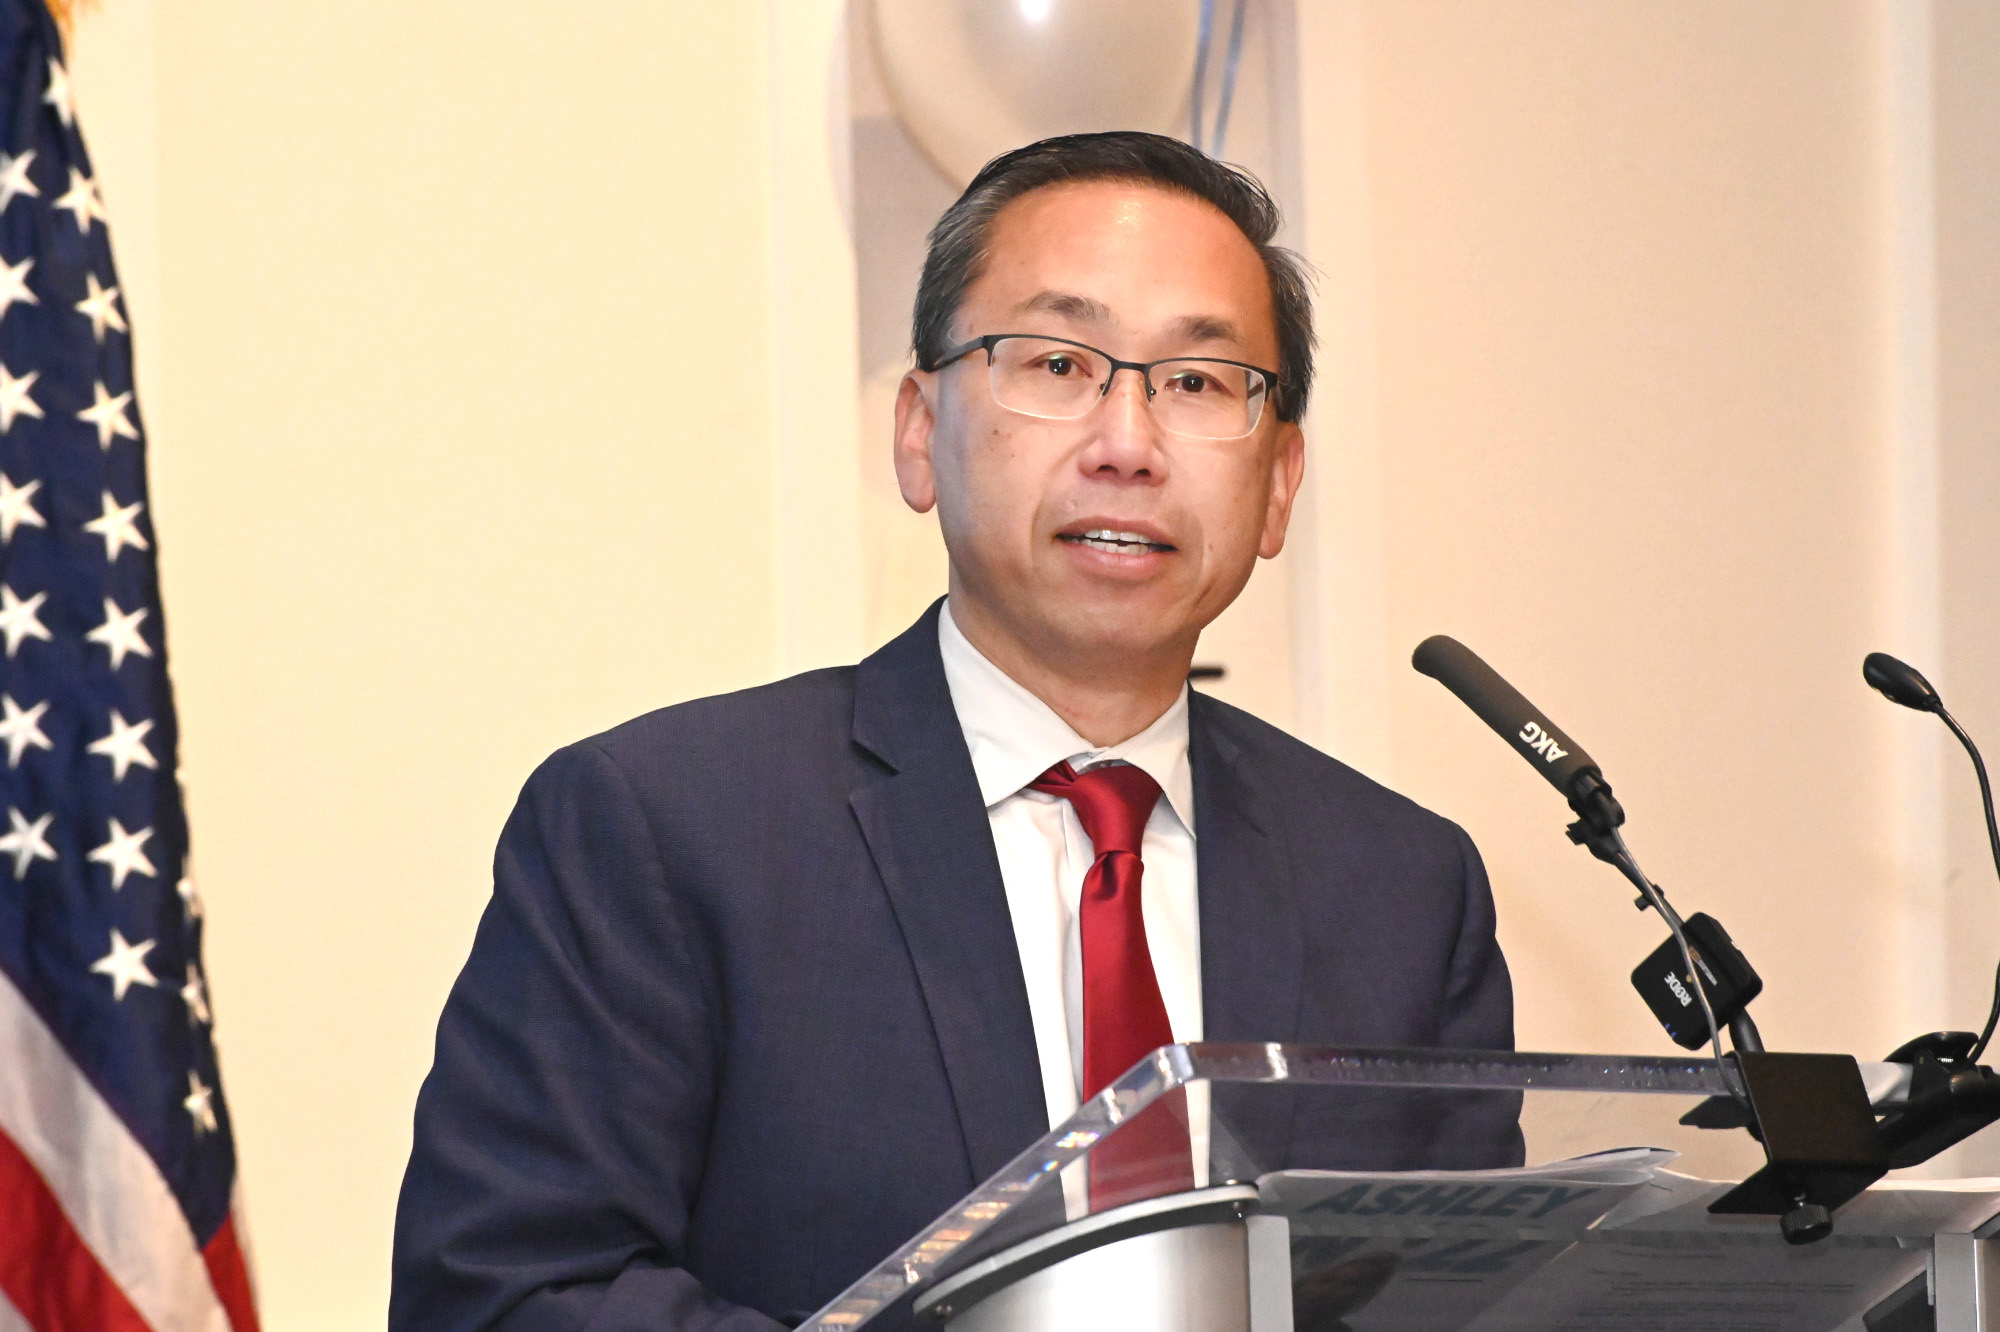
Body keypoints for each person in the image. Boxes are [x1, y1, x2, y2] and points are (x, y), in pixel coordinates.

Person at [390, 131, 1519, 1331]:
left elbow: (1478, 1299)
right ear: (919, 431)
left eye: (1196, 382)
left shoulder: (1399, 888)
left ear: (1279, 480)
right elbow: (508, 1296)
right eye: (1057, 363)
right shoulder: (669, 829)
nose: (1126, 443)